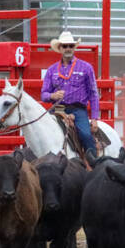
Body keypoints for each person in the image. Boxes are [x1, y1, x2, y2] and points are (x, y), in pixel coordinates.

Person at [41, 31, 100, 159]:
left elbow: (93, 93)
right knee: (40, 130)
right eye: (65, 46)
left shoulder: (86, 68)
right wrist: (52, 96)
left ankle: (94, 163)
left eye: (70, 46)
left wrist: (94, 118)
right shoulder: (51, 70)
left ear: (74, 48)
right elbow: (43, 94)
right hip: (58, 108)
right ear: (60, 48)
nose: (68, 48)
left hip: (78, 109)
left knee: (85, 134)